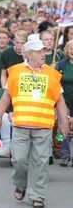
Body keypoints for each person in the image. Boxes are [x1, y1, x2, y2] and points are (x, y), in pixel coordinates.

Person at [0, 38, 72, 208]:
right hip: (21, 125)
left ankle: (38, 195)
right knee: (20, 159)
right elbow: (7, 96)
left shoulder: (52, 73)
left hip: (44, 126)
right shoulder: (15, 72)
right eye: (38, 51)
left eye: (43, 51)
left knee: (41, 162)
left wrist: (63, 123)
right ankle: (21, 183)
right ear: (28, 54)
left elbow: (60, 101)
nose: (43, 54)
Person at [56, 39, 73, 167]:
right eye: (70, 48)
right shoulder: (61, 65)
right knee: (63, 127)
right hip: (64, 102)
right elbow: (55, 83)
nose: (72, 50)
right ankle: (64, 154)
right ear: (66, 50)